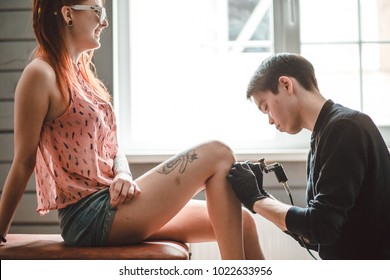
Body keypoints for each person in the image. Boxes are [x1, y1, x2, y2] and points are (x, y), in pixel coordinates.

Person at [0, 0, 264, 260]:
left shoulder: (80, 73)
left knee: (243, 223)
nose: (104, 21)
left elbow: (112, 148)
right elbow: (24, 162)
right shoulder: (40, 74)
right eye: (98, 11)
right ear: (68, 14)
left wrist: (123, 173)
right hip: (88, 216)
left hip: (112, 202)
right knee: (218, 152)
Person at [227, 53, 390, 259]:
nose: (269, 120)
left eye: (266, 107)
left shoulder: (346, 128)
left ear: (286, 85)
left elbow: (321, 227)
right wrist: (261, 196)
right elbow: (315, 235)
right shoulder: (323, 135)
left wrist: (255, 199)